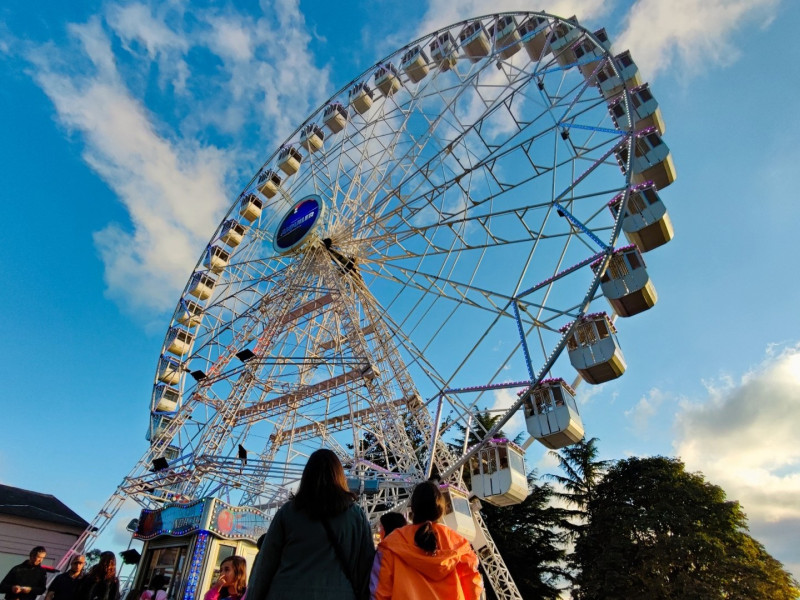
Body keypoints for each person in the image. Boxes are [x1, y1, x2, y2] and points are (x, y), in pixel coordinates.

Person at [246, 449, 375, 599]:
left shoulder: (288, 513)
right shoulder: (355, 516)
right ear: (340, 476)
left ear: (307, 476)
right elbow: (366, 569)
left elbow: (264, 566)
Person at [370, 481, 484, 600]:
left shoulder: (392, 544)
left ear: (413, 508)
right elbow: (473, 587)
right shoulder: (459, 544)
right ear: (441, 509)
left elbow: (379, 593)